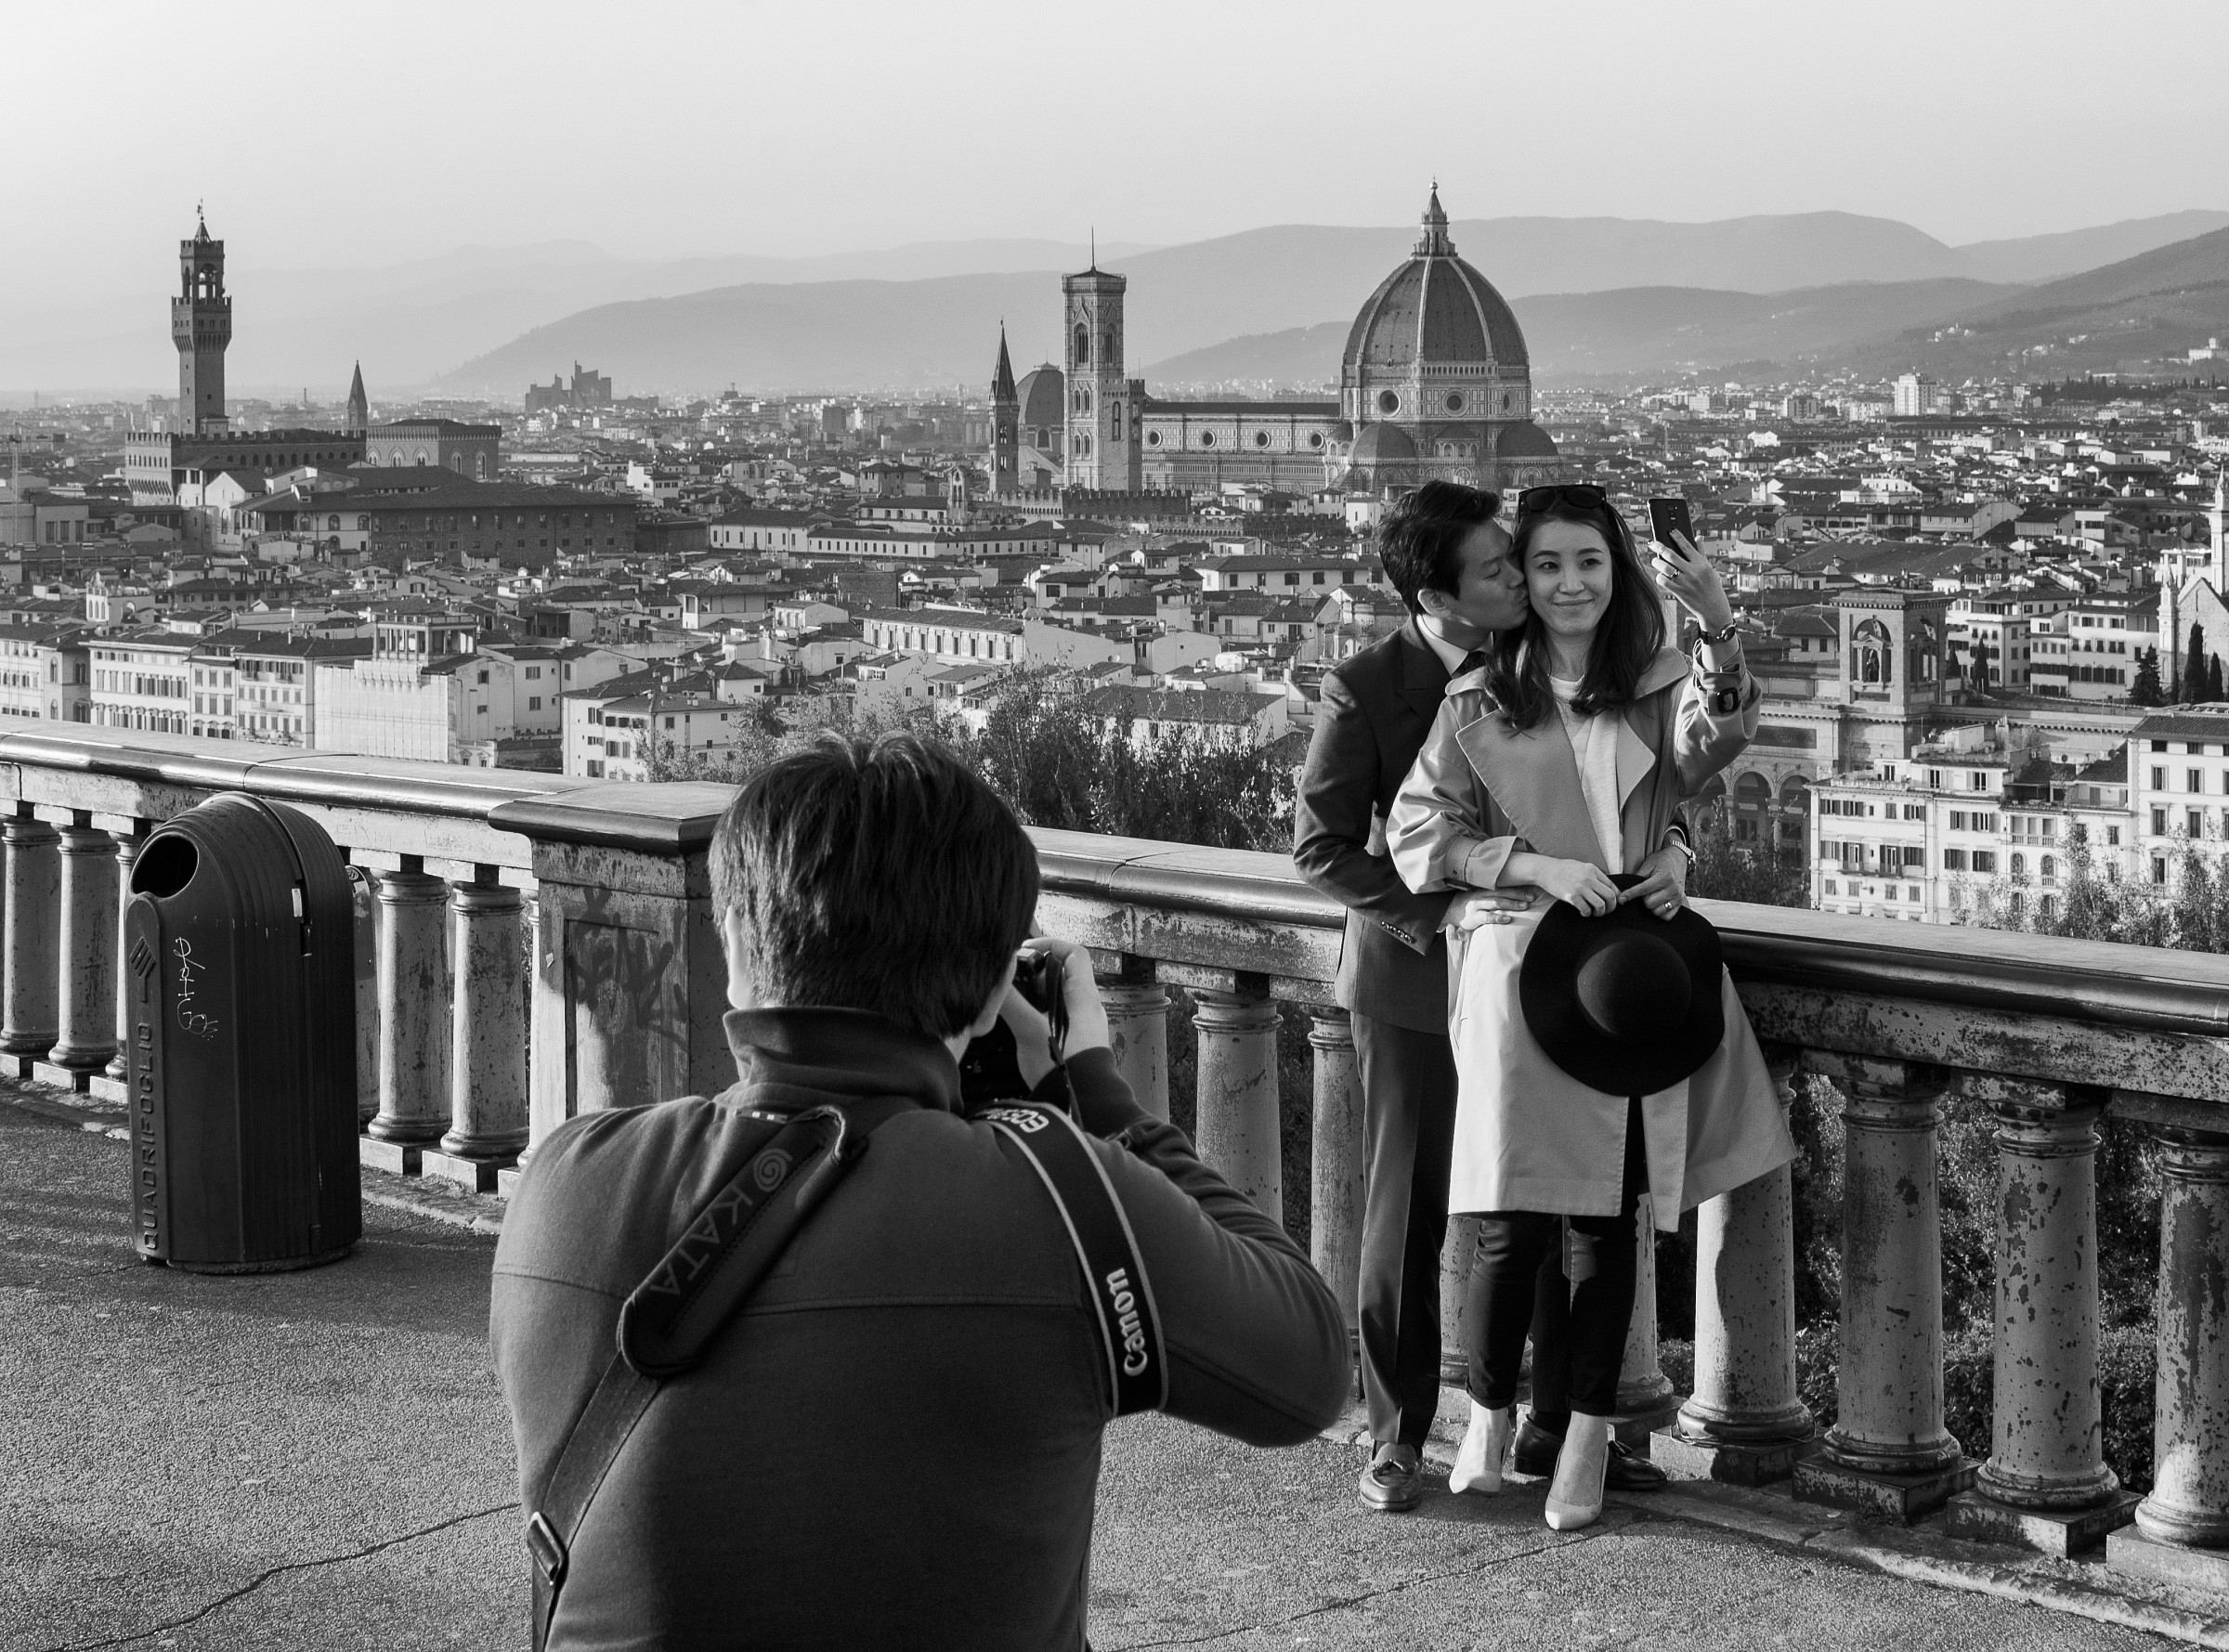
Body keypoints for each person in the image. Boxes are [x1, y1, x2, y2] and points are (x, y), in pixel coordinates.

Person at [491, 733, 1350, 1650]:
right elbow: (1306, 1371)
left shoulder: (566, 1182)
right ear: (989, 996)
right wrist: (1096, 1093)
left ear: (737, 947)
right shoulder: (1060, 1206)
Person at [1385, 485, 1797, 1532]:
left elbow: (1723, 732)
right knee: (1510, 1224)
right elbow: (1416, 835)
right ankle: (1488, 1415)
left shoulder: (1656, 686)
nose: (1569, 585)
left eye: (1591, 565)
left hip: (1621, 989)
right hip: (1524, 979)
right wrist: (1529, 864)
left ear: (1619, 578)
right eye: (1549, 565)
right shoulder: (1480, 699)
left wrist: (1716, 622)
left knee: (1612, 1230)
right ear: (1522, 577)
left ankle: (1580, 1442)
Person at [1294, 481, 1665, 1514]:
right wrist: (1438, 917)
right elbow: (1319, 845)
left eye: (1524, 560)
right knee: (1410, 1212)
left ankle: (1557, 1422)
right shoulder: (1369, 683)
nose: (1523, 577)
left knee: (1553, 1190)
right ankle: (1397, 1436)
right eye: (1501, 568)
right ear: (1439, 592)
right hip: (1417, 985)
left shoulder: (1555, 667)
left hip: (1551, 982)